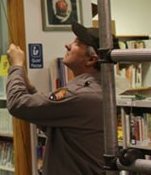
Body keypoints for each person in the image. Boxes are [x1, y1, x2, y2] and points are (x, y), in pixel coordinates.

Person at [6, 21, 112, 175]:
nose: (67, 45)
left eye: (77, 43)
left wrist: (16, 66)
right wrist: (30, 88)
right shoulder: (98, 90)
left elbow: (17, 104)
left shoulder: (79, 95)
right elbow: (53, 125)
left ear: (91, 60)